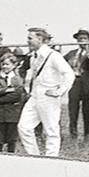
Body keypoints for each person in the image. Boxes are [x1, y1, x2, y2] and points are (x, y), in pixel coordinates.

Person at [16, 27, 75, 156]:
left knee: (51, 130)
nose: (28, 41)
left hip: (49, 97)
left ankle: (51, 158)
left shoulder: (53, 56)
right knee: (24, 127)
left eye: (30, 38)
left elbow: (69, 74)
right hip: (35, 96)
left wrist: (59, 91)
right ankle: (34, 156)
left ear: (40, 39)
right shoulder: (33, 57)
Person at [0, 55, 27, 151]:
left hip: (12, 113)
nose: (4, 66)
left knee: (11, 140)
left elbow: (17, 95)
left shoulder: (17, 79)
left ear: (14, 65)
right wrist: (5, 90)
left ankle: (11, 157)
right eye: (3, 64)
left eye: (7, 64)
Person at [66, 28, 89, 139]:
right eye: (80, 39)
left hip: (87, 84)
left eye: (84, 38)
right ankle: (73, 134)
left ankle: (86, 134)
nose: (82, 41)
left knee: (86, 110)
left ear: (88, 40)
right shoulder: (71, 53)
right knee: (73, 110)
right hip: (74, 83)